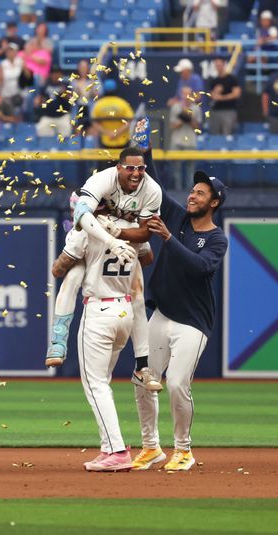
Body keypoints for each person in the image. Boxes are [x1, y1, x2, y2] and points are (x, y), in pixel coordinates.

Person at [126, 117, 228, 472]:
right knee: (143, 380)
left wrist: (169, 238)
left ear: (213, 203)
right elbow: (151, 182)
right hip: (163, 313)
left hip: (194, 323)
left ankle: (183, 449)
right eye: (192, 190)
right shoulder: (177, 217)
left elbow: (201, 269)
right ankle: (151, 447)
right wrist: (143, 147)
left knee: (176, 385)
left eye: (200, 192)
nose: (192, 194)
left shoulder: (216, 238)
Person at [57, 145, 163, 392]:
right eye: (130, 168)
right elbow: (58, 268)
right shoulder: (101, 184)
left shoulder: (149, 191)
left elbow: (146, 241)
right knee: (74, 279)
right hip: (108, 299)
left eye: (141, 168)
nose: (136, 173)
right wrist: (113, 240)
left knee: (136, 291)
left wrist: (118, 233)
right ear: (118, 168)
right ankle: (57, 338)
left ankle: (142, 366)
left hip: (112, 296)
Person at [50, 202, 138, 472]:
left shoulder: (86, 229)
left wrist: (81, 252)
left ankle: (118, 450)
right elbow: (146, 257)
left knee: (95, 384)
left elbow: (59, 269)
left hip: (99, 309)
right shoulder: (131, 227)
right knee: (103, 382)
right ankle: (107, 446)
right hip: (125, 309)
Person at [168, 85, 203, 190]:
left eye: (188, 94)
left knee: (190, 169)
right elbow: (172, 126)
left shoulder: (196, 109)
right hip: (177, 140)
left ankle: (190, 191)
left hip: (191, 141)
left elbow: (198, 128)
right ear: (181, 95)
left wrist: (189, 118)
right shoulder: (176, 107)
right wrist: (183, 117)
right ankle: (177, 190)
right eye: (184, 94)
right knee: (176, 168)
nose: (186, 96)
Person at [90, 79, 134, 148]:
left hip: (106, 141)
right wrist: (116, 133)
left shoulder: (99, 104)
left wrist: (107, 133)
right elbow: (129, 121)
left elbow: (94, 122)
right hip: (122, 141)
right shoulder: (122, 103)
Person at [207, 57, 240, 135]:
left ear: (224, 65)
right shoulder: (214, 80)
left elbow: (237, 94)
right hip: (216, 111)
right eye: (216, 65)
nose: (218, 67)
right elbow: (211, 95)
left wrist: (222, 97)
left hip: (228, 111)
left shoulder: (232, 79)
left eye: (220, 65)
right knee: (215, 134)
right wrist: (216, 92)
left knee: (227, 133)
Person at [35, 66, 71, 137]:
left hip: (62, 116)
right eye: (54, 73)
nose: (56, 75)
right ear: (51, 75)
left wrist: (64, 94)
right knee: (41, 130)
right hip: (48, 116)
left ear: (61, 75)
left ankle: (63, 148)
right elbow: (39, 99)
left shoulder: (66, 85)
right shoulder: (45, 85)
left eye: (58, 73)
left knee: (66, 132)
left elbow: (71, 99)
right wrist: (40, 102)